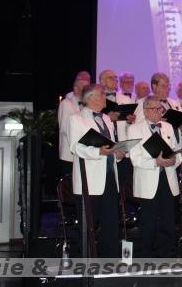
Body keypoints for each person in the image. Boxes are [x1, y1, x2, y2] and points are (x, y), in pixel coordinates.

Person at [68, 84, 125, 257]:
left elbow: (111, 146)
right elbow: (74, 147)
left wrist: (118, 153)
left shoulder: (106, 118)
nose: (105, 98)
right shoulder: (76, 119)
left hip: (110, 177)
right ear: (90, 97)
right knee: (88, 226)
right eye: (101, 94)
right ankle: (85, 262)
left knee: (111, 223)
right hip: (89, 180)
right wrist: (98, 152)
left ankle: (110, 262)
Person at [128, 96, 182, 257]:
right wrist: (155, 162)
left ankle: (169, 253)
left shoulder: (168, 127)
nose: (160, 112)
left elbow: (177, 152)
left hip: (168, 178)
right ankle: (147, 256)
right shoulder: (134, 129)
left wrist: (174, 161)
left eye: (161, 109)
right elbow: (135, 158)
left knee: (168, 219)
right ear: (145, 111)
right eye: (155, 109)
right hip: (147, 180)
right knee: (148, 221)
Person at [58, 76, 89, 169]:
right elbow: (64, 128)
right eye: (85, 88)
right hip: (69, 154)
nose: (87, 91)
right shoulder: (66, 103)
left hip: (86, 153)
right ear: (76, 89)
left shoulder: (89, 105)